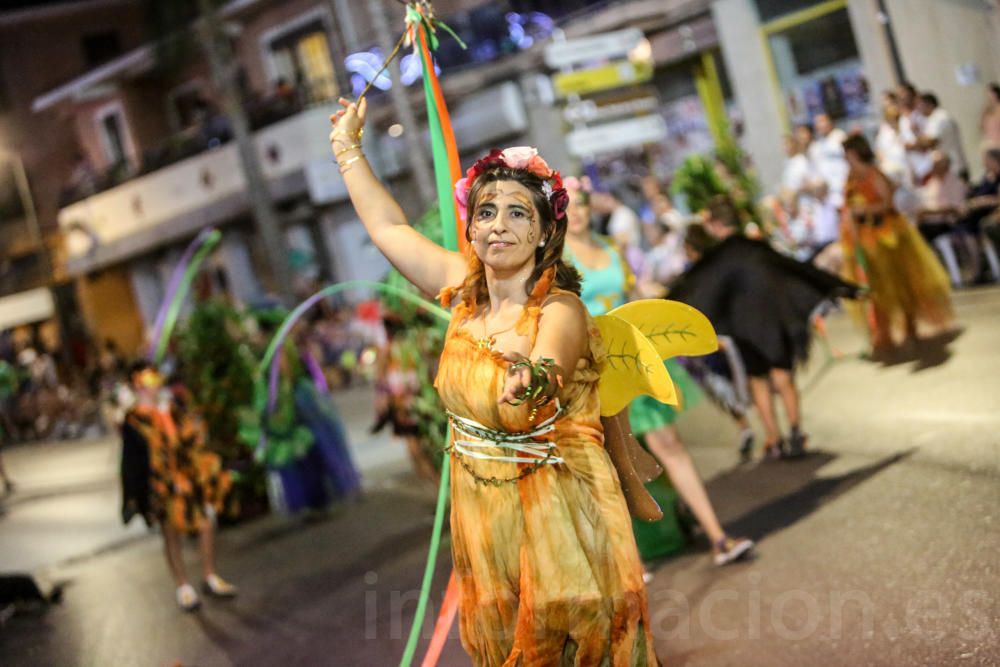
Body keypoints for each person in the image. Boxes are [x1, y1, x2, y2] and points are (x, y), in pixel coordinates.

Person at [331, 96, 659, 663]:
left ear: (544, 230)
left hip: (561, 518)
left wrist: (531, 380)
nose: (498, 226)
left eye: (517, 213)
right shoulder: (461, 291)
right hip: (483, 517)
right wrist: (346, 147)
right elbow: (388, 227)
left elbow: (551, 362)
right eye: (486, 212)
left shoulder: (560, 309)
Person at [563, 176, 754, 566]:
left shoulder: (613, 249)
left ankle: (718, 537)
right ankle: (627, 560)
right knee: (616, 464)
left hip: (632, 360)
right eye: (569, 206)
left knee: (669, 444)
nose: (577, 212)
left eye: (582, 204)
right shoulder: (555, 260)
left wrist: (679, 319)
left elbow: (636, 297)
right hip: (594, 373)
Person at [669, 195, 860, 459]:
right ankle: (795, 432)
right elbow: (797, 269)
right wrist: (844, 287)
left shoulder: (715, 260)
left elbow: (689, 289)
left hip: (742, 328)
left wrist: (658, 309)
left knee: (757, 380)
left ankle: (774, 438)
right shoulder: (759, 248)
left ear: (713, 224)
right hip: (772, 321)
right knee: (783, 377)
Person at [120, 361, 237, 611]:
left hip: (187, 477)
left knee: (206, 523)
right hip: (162, 485)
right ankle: (183, 586)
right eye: (147, 380)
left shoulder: (172, 407)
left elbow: (192, 438)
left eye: (155, 378)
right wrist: (133, 497)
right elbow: (131, 461)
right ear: (136, 385)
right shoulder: (135, 420)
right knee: (170, 533)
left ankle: (209, 575)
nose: (154, 385)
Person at [840, 135, 954, 354]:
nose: (845, 158)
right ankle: (884, 335)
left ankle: (910, 330)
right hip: (865, 239)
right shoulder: (851, 178)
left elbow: (887, 204)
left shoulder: (874, 175)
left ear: (854, 153)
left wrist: (864, 210)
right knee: (875, 289)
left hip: (887, 237)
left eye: (846, 153)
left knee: (900, 286)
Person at [917, 92, 969, 181]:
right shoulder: (933, 118)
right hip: (947, 169)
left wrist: (916, 139)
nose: (918, 109)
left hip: (953, 168)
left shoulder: (940, 118)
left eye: (920, 105)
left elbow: (931, 142)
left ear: (929, 104)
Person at [808, 113, 849, 205]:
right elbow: (815, 173)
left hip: (844, 189)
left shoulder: (840, 137)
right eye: (817, 123)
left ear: (830, 122)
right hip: (826, 195)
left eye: (823, 121)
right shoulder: (815, 147)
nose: (821, 125)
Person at [981, 83, 1000, 151]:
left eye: (991, 93)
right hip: (991, 143)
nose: (989, 96)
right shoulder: (986, 110)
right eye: (987, 93)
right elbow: (982, 126)